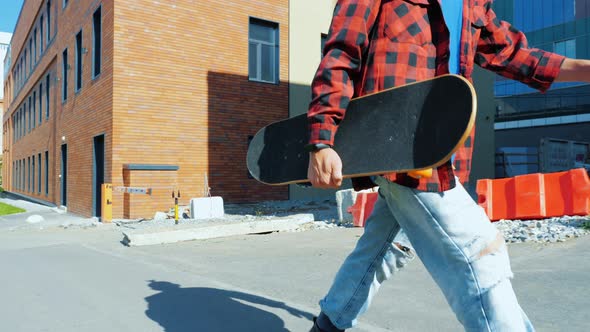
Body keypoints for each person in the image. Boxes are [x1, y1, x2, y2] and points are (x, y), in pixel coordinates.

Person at [306, 1, 590, 331]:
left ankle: (327, 326)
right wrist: (322, 138)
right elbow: (343, 49)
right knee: (482, 254)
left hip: (444, 156)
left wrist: (585, 68)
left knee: (383, 249)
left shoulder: (474, 5)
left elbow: (517, 56)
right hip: (398, 148)